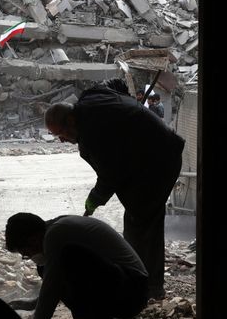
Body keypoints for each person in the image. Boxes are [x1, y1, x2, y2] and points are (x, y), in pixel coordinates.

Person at [44, 83, 184, 299]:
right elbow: (113, 85)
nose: (62, 140)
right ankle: (135, 276)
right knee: (136, 219)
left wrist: (93, 201)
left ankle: (151, 287)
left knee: (145, 222)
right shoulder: (90, 98)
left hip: (160, 159)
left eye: (61, 134)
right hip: (145, 156)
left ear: (71, 120)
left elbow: (110, 176)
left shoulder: (92, 132)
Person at [4, 213, 149, 319]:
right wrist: (33, 303)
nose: (28, 257)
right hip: (125, 286)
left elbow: (53, 288)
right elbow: (52, 281)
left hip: (132, 293)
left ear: (33, 239)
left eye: (25, 253)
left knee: (69, 257)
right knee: (45, 267)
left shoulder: (56, 235)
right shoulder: (55, 229)